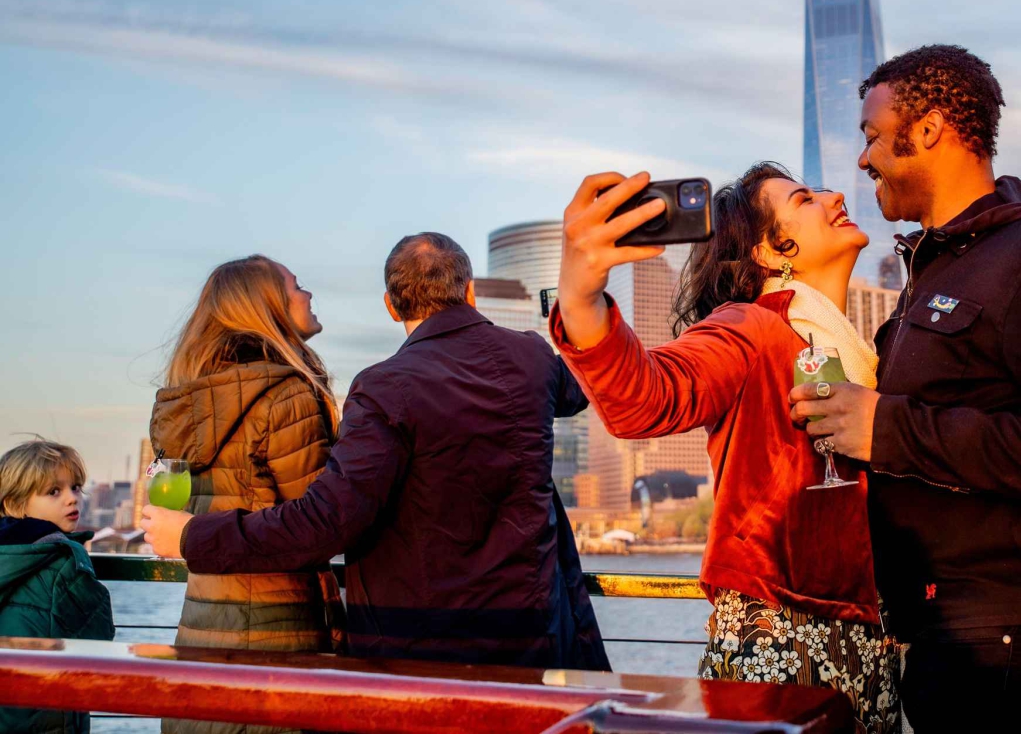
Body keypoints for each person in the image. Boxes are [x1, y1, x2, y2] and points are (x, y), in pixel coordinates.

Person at [788, 45, 1021, 732]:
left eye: (872, 135)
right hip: (960, 638)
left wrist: (891, 429)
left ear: (928, 129)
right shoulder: (933, 277)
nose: (863, 159)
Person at [143, 233, 607, 671]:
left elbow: (329, 521)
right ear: (470, 293)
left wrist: (192, 537)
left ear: (390, 306)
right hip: (534, 630)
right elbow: (582, 388)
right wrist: (579, 309)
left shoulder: (383, 386)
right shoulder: (530, 356)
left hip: (419, 645)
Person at [552, 164, 898, 733]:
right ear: (770, 250)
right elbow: (646, 398)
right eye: (806, 199)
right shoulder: (750, 327)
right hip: (779, 639)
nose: (836, 196)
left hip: (871, 643)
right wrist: (580, 293)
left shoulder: (877, 350)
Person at [150, 255, 342, 734]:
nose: (308, 294)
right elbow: (317, 526)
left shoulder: (187, 397)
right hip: (277, 633)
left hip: (201, 626)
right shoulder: (286, 395)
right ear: (267, 305)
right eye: (296, 286)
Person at [0, 439, 115, 734]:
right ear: (14, 504)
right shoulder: (64, 559)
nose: (72, 498)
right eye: (54, 492)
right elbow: (97, 637)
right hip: (49, 710)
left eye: (76, 487)